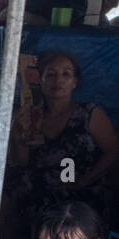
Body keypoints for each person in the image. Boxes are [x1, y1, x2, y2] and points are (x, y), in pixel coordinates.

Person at [10, 50, 118, 227]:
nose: (58, 80)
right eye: (50, 74)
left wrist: (85, 181)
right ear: (40, 80)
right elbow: (21, 163)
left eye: (66, 74)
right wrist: (18, 136)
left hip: (82, 195)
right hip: (39, 196)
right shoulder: (32, 116)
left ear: (75, 82)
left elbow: (114, 151)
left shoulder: (89, 113)